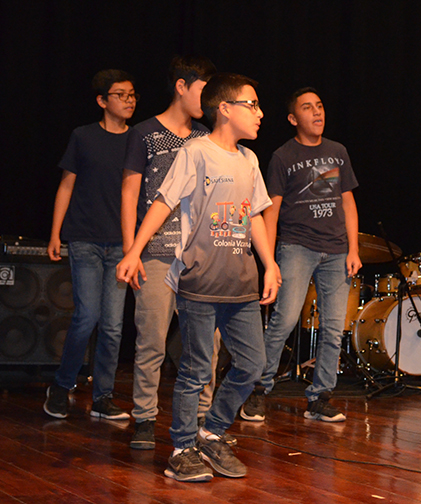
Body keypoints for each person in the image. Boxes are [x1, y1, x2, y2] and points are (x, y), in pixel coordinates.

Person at [117, 73, 279, 482]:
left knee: (253, 363)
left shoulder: (250, 160)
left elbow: (255, 214)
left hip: (239, 282)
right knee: (195, 368)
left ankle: (211, 432)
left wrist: (270, 264)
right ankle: (182, 448)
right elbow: (163, 201)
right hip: (200, 281)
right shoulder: (196, 152)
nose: (260, 114)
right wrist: (134, 251)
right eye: (252, 104)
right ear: (225, 109)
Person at [239, 87, 360, 424]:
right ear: (293, 119)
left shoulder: (338, 152)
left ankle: (320, 397)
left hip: (336, 251)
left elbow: (348, 202)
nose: (317, 113)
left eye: (320, 106)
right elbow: (271, 212)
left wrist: (353, 248)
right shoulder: (282, 156)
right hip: (297, 247)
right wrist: (271, 262)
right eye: (308, 108)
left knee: (334, 328)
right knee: (285, 320)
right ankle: (258, 389)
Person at [121, 55, 221, 450]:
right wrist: (133, 250)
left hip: (198, 257)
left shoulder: (205, 137)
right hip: (157, 252)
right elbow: (130, 193)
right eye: (203, 90)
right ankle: (145, 416)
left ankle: (203, 415)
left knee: (206, 343)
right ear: (182, 86)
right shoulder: (145, 133)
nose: (209, 100)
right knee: (152, 340)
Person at [44, 69, 139, 421]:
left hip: (120, 244)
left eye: (132, 95)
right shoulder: (83, 137)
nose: (129, 100)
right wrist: (56, 234)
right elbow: (66, 185)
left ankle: (103, 397)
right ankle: (62, 384)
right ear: (102, 101)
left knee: (114, 325)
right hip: (84, 238)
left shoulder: (138, 139)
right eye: (120, 95)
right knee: (87, 316)